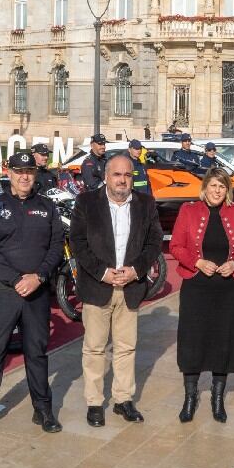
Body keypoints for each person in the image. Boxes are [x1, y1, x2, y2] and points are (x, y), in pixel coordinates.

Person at [0, 151, 65, 438]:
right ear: (8, 172)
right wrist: (15, 279)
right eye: (19, 171)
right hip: (4, 292)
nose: (24, 176)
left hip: (36, 292)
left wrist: (39, 277)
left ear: (35, 175)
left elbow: (56, 245)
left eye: (30, 172)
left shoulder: (47, 207)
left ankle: (43, 408)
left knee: (36, 351)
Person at [68, 153, 163, 427]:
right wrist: (102, 272)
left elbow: (155, 241)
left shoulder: (145, 203)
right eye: (117, 175)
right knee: (95, 348)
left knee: (126, 348)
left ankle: (123, 399)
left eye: (127, 175)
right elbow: (78, 242)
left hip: (131, 286)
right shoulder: (86, 203)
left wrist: (136, 270)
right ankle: (94, 403)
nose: (122, 180)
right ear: (106, 177)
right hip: (98, 286)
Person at [170, 168, 234, 424]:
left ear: (227, 189)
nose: (217, 191)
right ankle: (190, 397)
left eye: (222, 186)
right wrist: (196, 262)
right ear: (205, 187)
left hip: (226, 288)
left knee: (223, 341)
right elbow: (176, 245)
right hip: (197, 287)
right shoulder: (188, 210)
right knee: (192, 340)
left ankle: (218, 399)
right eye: (213, 185)